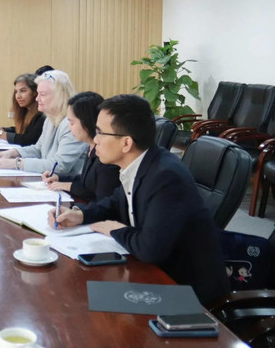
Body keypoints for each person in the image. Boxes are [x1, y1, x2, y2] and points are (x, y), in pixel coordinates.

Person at [48, 94, 229, 305]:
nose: (94, 139)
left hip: (184, 291)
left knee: (81, 301)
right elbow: (115, 202)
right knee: (77, 294)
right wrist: (80, 215)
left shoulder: (165, 177)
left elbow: (150, 249)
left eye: (100, 132)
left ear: (126, 143)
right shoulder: (141, 163)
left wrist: (115, 229)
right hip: (153, 274)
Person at [0, 70, 86, 177]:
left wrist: (17, 163)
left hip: (67, 189)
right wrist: (12, 153)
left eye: (42, 94)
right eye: (38, 94)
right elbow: (38, 150)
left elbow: (59, 166)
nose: (37, 99)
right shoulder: (50, 119)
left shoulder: (71, 124)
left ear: (59, 96)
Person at [43, 92, 120, 202]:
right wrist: (59, 177)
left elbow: (101, 199)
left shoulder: (106, 157)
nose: (69, 129)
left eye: (72, 123)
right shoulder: (91, 147)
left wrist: (68, 186)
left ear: (87, 122)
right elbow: (87, 180)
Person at [0, 73, 45, 146]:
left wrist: (0, 134)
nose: (18, 96)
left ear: (35, 92)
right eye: (16, 92)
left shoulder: (42, 114)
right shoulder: (26, 111)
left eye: (23, 91)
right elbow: (22, 130)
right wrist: (3, 130)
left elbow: (29, 139)